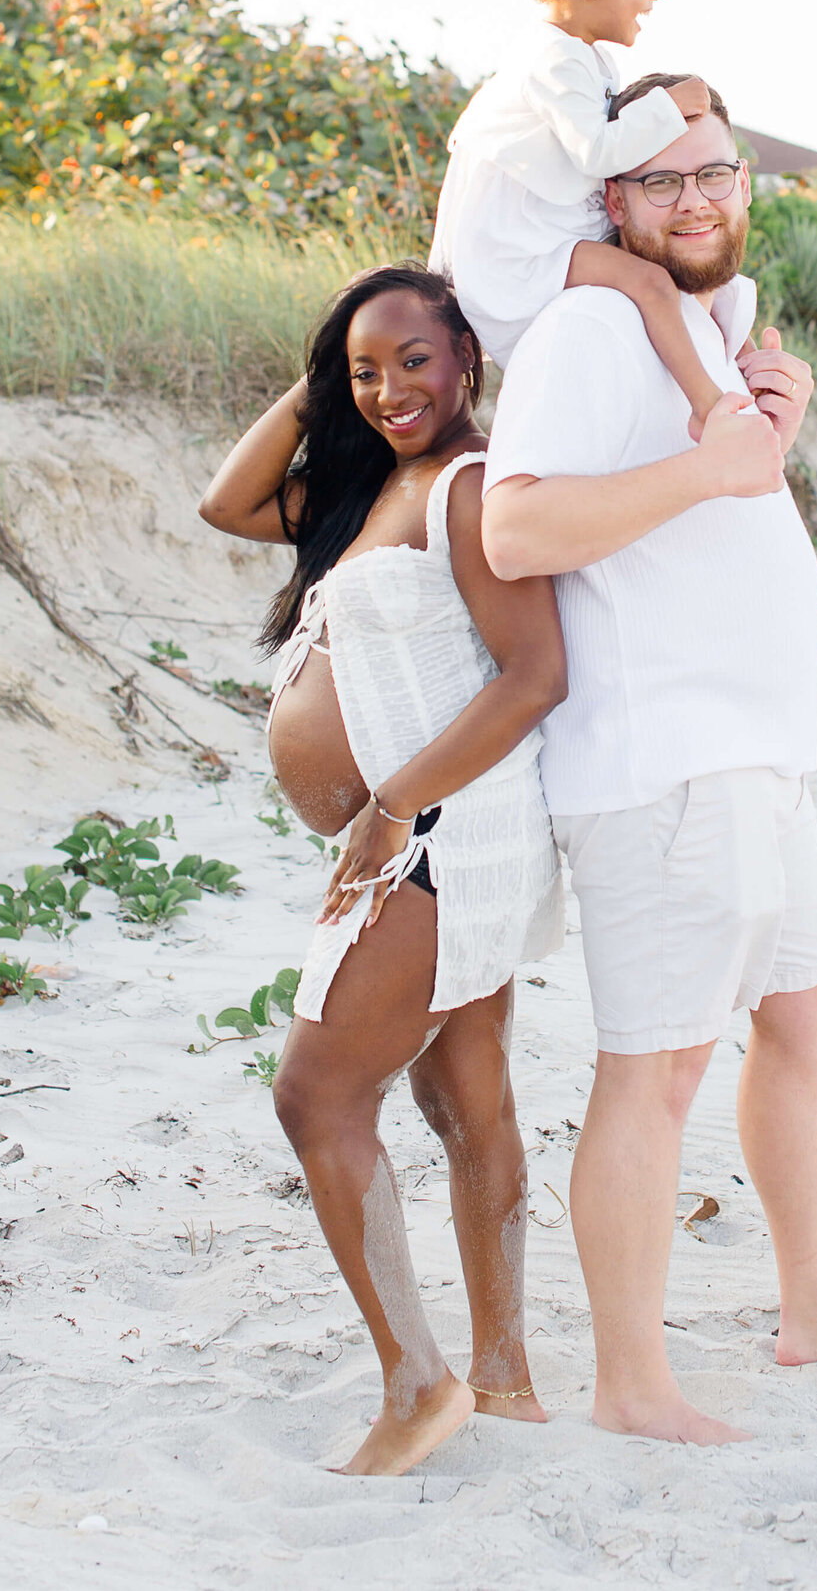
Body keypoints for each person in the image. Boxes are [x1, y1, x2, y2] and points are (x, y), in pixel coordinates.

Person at [481, 77, 817, 1444]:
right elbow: (517, 534)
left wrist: (763, 440)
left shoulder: (703, 329)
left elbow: (718, 503)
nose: (697, 200)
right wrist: (711, 468)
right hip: (663, 762)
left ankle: (814, 1305)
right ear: (614, 206)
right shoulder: (587, 330)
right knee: (658, 1067)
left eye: (717, 173)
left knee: (812, 1006)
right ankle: (632, 1385)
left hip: (755, 756)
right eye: (662, 182)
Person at [198, 266, 566, 1476]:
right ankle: (502, 1377)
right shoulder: (373, 484)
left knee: (315, 1096)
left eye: (416, 358)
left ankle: (422, 1387)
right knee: (463, 1096)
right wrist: (324, 393)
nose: (392, 386)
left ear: (468, 353)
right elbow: (226, 500)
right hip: (439, 838)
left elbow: (533, 673)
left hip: (436, 839)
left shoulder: (466, 487)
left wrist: (391, 803)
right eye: (367, 368)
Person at [429, 0, 754, 437]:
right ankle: (708, 404)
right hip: (520, 254)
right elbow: (596, 152)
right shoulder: (552, 58)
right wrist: (668, 108)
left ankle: (734, 352)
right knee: (651, 283)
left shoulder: (580, 59)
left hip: (540, 236)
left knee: (674, 269)